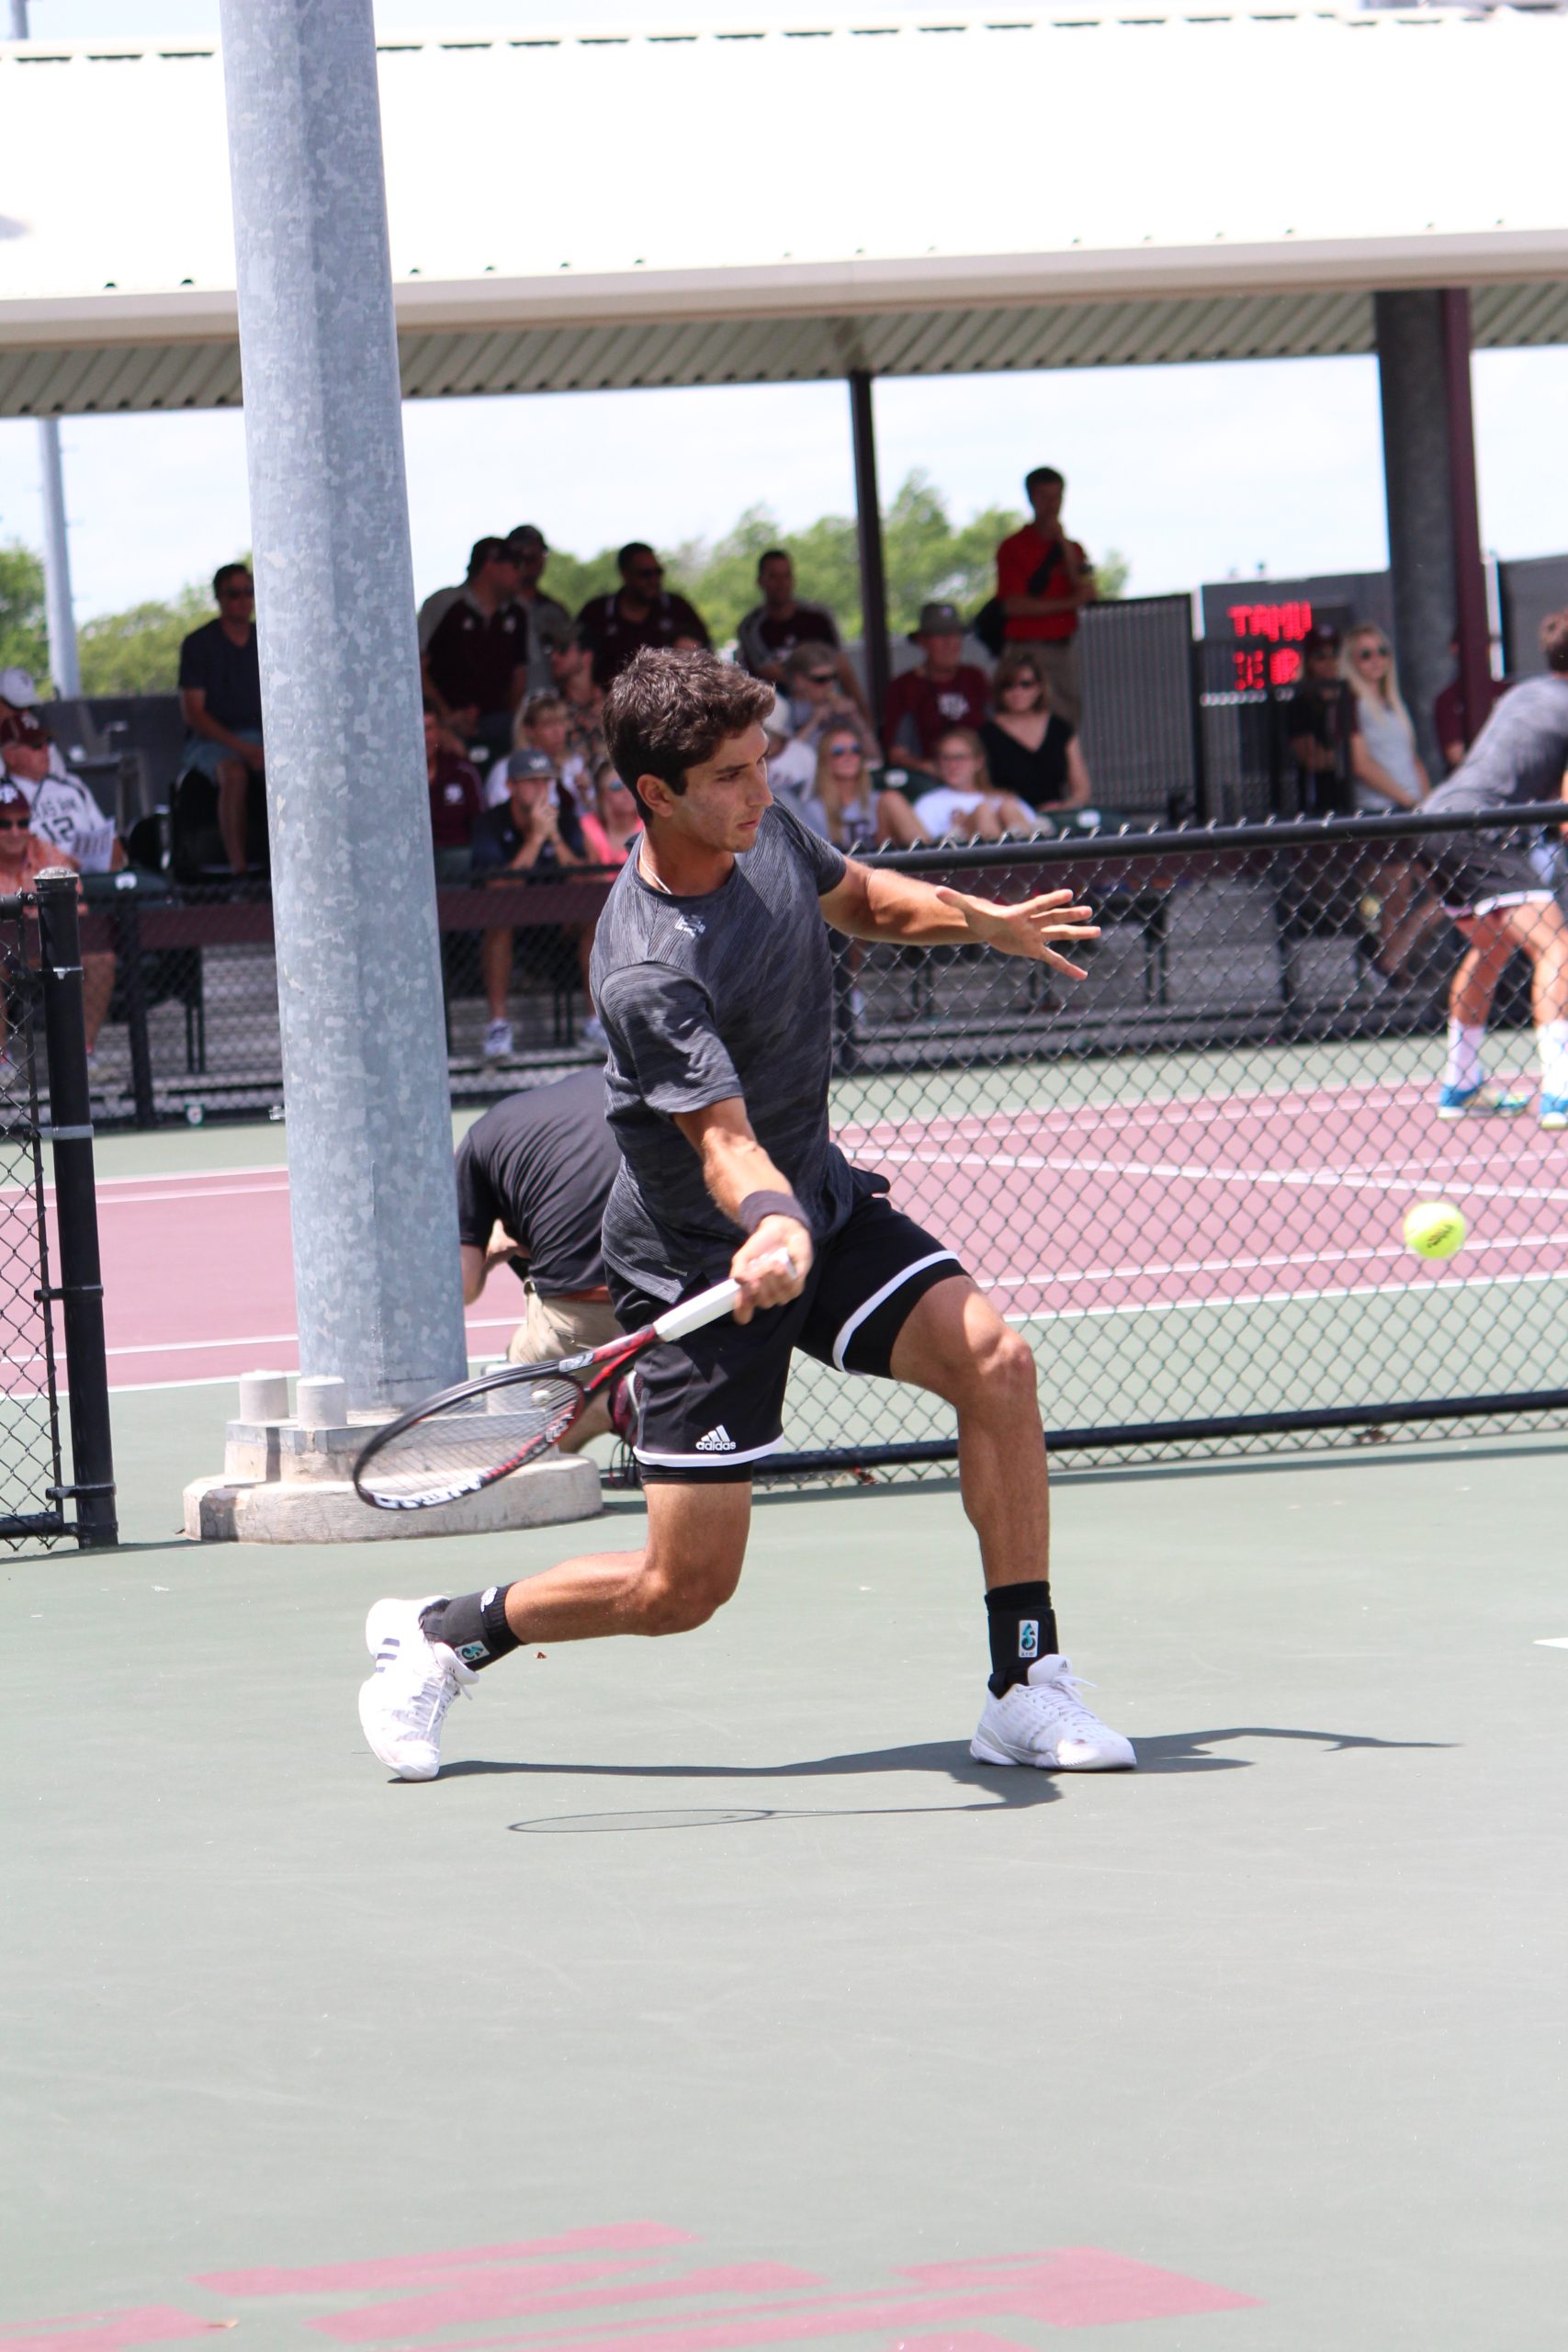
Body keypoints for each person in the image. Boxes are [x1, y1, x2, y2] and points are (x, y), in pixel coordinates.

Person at [357, 646, 1134, 1783]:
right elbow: (721, 1138)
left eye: (762, 762)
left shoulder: (759, 825)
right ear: (655, 793)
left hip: (818, 1206)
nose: (761, 790)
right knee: (683, 1591)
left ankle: (1024, 1683)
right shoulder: (643, 966)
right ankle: (446, 1633)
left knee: (997, 1365)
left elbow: (859, 895)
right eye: (730, 774)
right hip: (699, 1270)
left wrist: (984, 921)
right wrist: (768, 1224)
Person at [1416, 607, 1568, 1129]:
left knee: (1492, 944)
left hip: (1433, 821)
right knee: (1555, 946)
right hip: (1479, 830)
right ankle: (1561, 1093)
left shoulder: (1522, 695)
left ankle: (1460, 1084)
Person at [456, 1070, 625, 1447]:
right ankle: (661, 1391)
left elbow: (462, 1287)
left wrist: (497, 1251)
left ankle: (611, 1404)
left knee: (511, 1438)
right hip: (684, 1302)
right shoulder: (638, 1086)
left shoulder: (485, 1134)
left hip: (583, 1315)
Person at [471, 746, 593, 1060]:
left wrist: (554, 838)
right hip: (513, 928)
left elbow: (582, 879)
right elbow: (497, 887)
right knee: (497, 924)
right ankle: (498, 1025)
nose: (541, 789)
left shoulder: (563, 820)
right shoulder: (490, 824)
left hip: (558, 926)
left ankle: (595, 1022)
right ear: (511, 786)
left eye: (546, 781)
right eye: (531, 782)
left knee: (593, 922)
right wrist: (536, 840)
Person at [0, 779, 114, 1057]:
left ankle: (83, 1054)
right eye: (5, 824)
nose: (16, 832)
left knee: (101, 958)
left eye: (23, 822)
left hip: (51, 948)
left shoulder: (48, 853)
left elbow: (76, 912)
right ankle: (1, 1059)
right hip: (2, 954)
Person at [177, 563, 265, 875]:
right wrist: (245, 749)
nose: (243, 600)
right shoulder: (199, 644)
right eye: (234, 594)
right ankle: (239, 871)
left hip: (262, 737)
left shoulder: (267, 638)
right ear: (219, 598)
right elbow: (194, 714)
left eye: (249, 592)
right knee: (234, 774)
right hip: (212, 742)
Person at [993, 467, 1097, 728]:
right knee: (1034, 715)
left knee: (1068, 717)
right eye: (1044, 497)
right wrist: (1067, 604)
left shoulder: (1071, 549)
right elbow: (1013, 605)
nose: (1052, 505)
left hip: (1063, 647)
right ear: (1031, 499)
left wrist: (1062, 543)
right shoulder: (1014, 548)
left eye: (1057, 497)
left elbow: (1085, 590)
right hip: (1029, 648)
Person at [421, 537, 528, 761]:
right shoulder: (444, 604)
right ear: (490, 565)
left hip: (500, 724)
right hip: (447, 727)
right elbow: (415, 666)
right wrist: (445, 717)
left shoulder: (517, 613)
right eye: (515, 565)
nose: (522, 572)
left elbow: (520, 675)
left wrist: (512, 722)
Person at [736, 549, 869, 719]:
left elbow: (843, 668)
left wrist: (863, 714)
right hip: (778, 714)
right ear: (760, 581)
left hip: (829, 706)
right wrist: (818, 681)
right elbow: (771, 671)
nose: (781, 583)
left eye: (786, 576)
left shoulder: (818, 616)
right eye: (773, 576)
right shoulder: (751, 626)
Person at [881, 604, 990, 778]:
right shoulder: (905, 686)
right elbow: (898, 753)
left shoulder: (975, 678)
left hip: (980, 776)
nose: (950, 643)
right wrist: (932, 769)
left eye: (955, 635)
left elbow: (995, 736)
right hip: (930, 778)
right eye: (940, 636)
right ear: (923, 642)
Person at [577, 544, 709, 687]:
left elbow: (705, 653)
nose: (653, 580)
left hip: (669, 699)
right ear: (625, 574)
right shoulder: (597, 613)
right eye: (645, 574)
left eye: (658, 572)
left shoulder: (677, 609)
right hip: (608, 702)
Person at [980, 649, 1091, 814]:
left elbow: (1081, 788)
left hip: (1056, 817)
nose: (1017, 692)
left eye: (1026, 684)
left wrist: (1066, 807)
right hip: (1010, 818)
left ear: (1039, 687)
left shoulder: (1060, 728)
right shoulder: (985, 734)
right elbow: (979, 786)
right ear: (999, 690)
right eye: (1008, 685)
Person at [2, 736, 122, 876]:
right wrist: (58, 863)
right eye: (36, 745)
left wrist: (113, 871)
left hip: (94, 880)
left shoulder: (72, 785)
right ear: (10, 756)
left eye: (47, 743)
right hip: (43, 885)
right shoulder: (6, 796)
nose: (46, 750)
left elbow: (111, 841)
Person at [803, 728, 929, 852]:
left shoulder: (881, 802)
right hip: (839, 869)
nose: (849, 756)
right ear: (825, 760)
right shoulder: (813, 808)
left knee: (891, 798)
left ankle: (930, 866)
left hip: (881, 868)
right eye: (838, 752)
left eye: (855, 750)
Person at [912, 729, 1045, 842]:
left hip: (1022, 861)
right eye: (946, 758)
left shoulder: (1003, 798)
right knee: (983, 810)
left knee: (1007, 807)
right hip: (966, 865)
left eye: (960, 758)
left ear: (978, 761)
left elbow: (1040, 830)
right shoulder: (929, 802)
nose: (953, 765)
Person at [484, 692, 591, 813]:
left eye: (561, 723)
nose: (558, 731)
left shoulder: (575, 764)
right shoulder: (506, 769)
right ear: (529, 730)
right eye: (548, 724)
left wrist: (584, 796)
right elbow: (500, 815)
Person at [423, 707, 486, 872]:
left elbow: (480, 820)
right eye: (416, 728)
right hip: (413, 854)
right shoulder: (396, 776)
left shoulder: (462, 770)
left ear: (440, 732)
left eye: (429, 729)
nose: (424, 737)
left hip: (456, 854)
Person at [1434, 637, 1507, 774]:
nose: (1476, 651)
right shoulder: (1447, 700)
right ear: (1454, 649)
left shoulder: (1506, 692)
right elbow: (1455, 754)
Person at [547, 628, 607, 772]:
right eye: (551, 650)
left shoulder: (615, 703)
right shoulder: (548, 707)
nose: (553, 657)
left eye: (562, 649)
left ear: (587, 656)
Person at [0, 668, 68, 775]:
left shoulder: (42, 744)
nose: (25, 713)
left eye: (30, 707)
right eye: (16, 707)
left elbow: (59, 783)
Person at [579, 760, 642, 867]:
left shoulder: (650, 824)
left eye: (630, 783)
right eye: (617, 786)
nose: (627, 792)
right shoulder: (590, 825)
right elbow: (588, 877)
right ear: (602, 794)